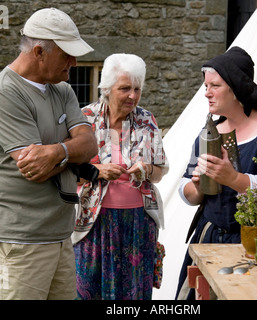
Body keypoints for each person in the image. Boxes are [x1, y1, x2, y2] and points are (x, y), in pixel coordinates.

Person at [0, 8, 98, 300]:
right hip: (19, 241)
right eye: (67, 54)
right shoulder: (3, 94)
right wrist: (72, 152)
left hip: (58, 235)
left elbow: (91, 145)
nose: (75, 62)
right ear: (40, 51)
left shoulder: (63, 89)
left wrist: (57, 151)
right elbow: (36, 170)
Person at [175, 46, 257, 300]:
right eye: (206, 86)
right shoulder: (211, 131)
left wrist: (233, 179)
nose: (206, 93)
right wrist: (198, 186)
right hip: (208, 242)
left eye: (214, 86)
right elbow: (186, 189)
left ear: (236, 88)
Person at [72, 53, 168, 300]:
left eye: (137, 89)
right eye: (125, 88)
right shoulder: (85, 119)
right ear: (107, 88)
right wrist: (97, 171)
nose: (133, 96)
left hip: (139, 221)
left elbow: (160, 170)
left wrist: (146, 169)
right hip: (93, 222)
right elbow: (66, 171)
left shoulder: (146, 120)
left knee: (133, 292)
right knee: (89, 288)